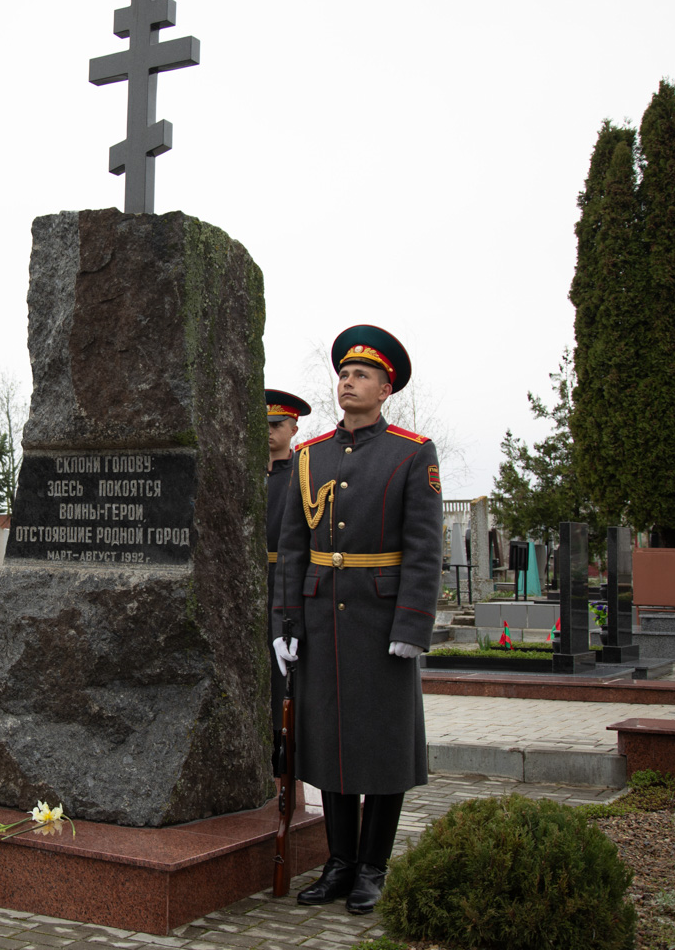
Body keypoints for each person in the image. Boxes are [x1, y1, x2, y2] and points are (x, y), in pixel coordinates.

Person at [271, 325, 442, 914]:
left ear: (385, 388)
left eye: (361, 375)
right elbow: (293, 547)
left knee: (383, 747)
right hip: (322, 621)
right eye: (343, 374)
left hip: (381, 622)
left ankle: (373, 867)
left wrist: (412, 625)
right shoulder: (310, 456)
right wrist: (286, 623)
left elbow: (424, 547)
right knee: (330, 745)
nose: (348, 382)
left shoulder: (412, 452)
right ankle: (339, 863)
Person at [265, 388, 311, 774]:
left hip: (285, 582)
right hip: (246, 582)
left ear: (293, 428)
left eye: (276, 424)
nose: (268, 431)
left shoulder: (304, 474)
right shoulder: (243, 471)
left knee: (284, 675)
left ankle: (286, 757)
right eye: (262, 424)